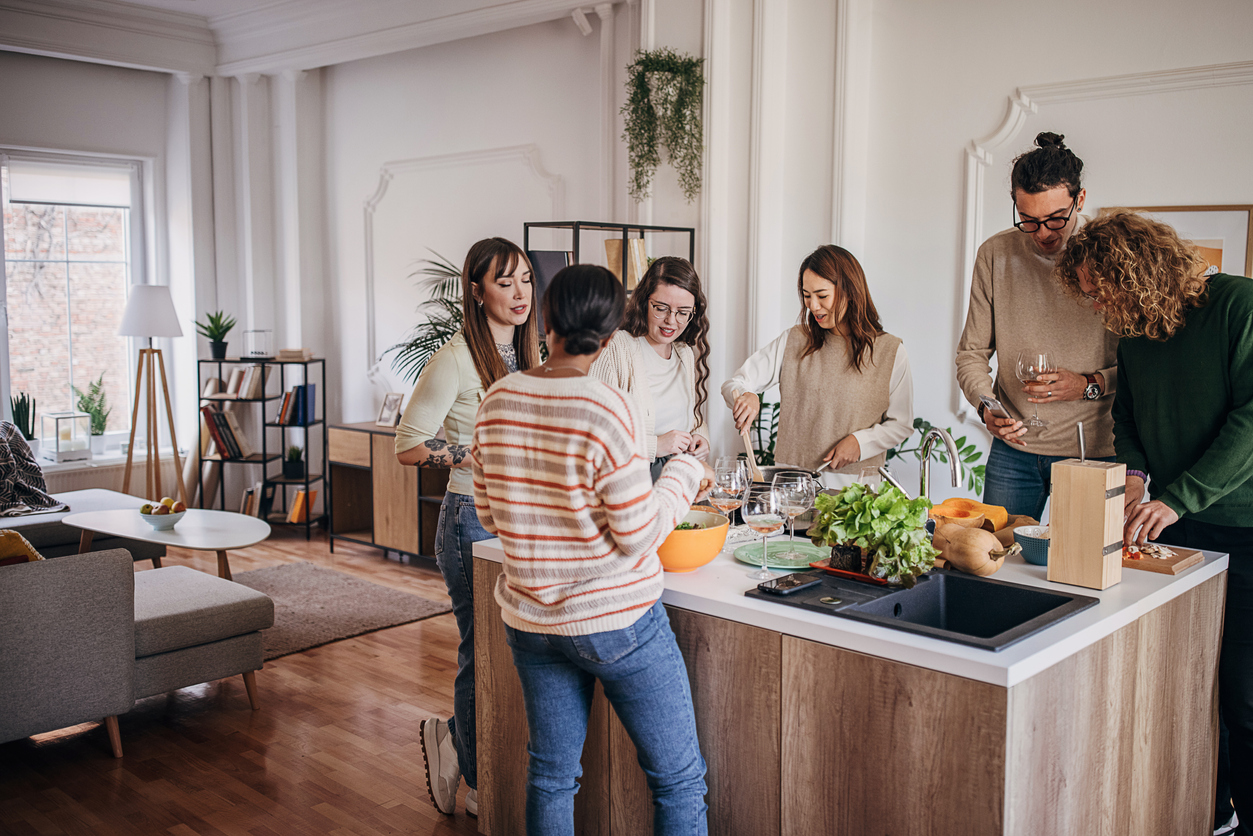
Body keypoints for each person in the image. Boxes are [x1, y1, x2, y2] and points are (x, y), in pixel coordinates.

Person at [471, 264, 713, 834]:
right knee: (678, 780)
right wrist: (683, 471)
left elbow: (489, 515)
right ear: (610, 337)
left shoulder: (497, 400)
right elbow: (637, 535)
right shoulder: (609, 407)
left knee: (552, 776)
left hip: (532, 622)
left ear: (547, 321)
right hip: (617, 621)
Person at [1056, 210, 1253, 836]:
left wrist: (1179, 498)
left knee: (1245, 698)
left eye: (1098, 288)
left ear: (1136, 272)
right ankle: (1209, 812)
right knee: (1186, 683)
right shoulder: (1135, 334)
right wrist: (1136, 477)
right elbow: (1130, 421)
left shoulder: (1237, 306)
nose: (1093, 304)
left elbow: (1252, 421)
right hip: (1176, 527)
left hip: (1242, 529)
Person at [394, 237, 541, 818]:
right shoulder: (454, 357)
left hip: (522, 520)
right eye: (505, 282)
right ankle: (478, 779)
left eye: (526, 279)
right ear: (477, 293)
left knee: (512, 652)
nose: (520, 292)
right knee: (480, 649)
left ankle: (457, 735)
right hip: (470, 520)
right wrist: (471, 453)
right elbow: (407, 445)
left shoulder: (534, 355)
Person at [956, 131, 1118, 519]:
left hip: (1093, 451)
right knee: (994, 566)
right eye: (1029, 220)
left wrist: (1087, 384)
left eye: (1056, 219)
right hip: (1015, 453)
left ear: (1080, 199)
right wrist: (986, 407)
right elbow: (971, 354)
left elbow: (1146, 365)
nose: (1043, 233)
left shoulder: (1109, 255)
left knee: (1082, 572)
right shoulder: (995, 254)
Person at [722, 244, 913, 489]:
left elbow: (901, 423)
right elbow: (734, 384)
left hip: (855, 490)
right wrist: (746, 396)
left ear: (850, 291)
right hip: (791, 485)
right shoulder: (794, 340)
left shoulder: (890, 351)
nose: (812, 306)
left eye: (822, 296)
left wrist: (861, 443)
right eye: (806, 295)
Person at [589, 256, 711, 480]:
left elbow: (688, 417)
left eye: (683, 312)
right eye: (661, 308)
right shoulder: (616, 347)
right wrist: (655, 445)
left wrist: (700, 437)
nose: (671, 321)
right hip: (628, 487)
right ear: (644, 301)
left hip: (676, 482)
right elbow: (594, 432)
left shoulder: (683, 352)